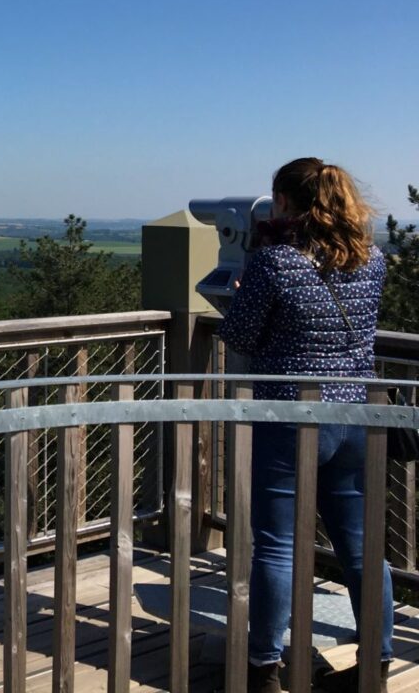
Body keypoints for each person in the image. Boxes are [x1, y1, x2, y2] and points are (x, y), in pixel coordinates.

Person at [218, 158, 392, 693]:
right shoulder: (374, 261)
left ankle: (264, 671)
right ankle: (376, 667)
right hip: (356, 416)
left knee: (274, 545)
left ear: (288, 203)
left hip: (289, 417)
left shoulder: (276, 265)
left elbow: (241, 337)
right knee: (363, 549)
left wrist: (248, 278)